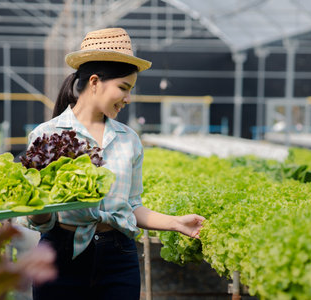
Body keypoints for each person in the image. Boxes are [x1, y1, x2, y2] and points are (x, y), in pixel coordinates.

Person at [21, 28, 205, 300]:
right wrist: (39, 210)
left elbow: (132, 206)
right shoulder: (46, 136)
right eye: (123, 88)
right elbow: (37, 217)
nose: (128, 99)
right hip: (59, 257)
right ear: (95, 82)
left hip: (119, 259)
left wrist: (176, 223)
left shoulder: (129, 139)